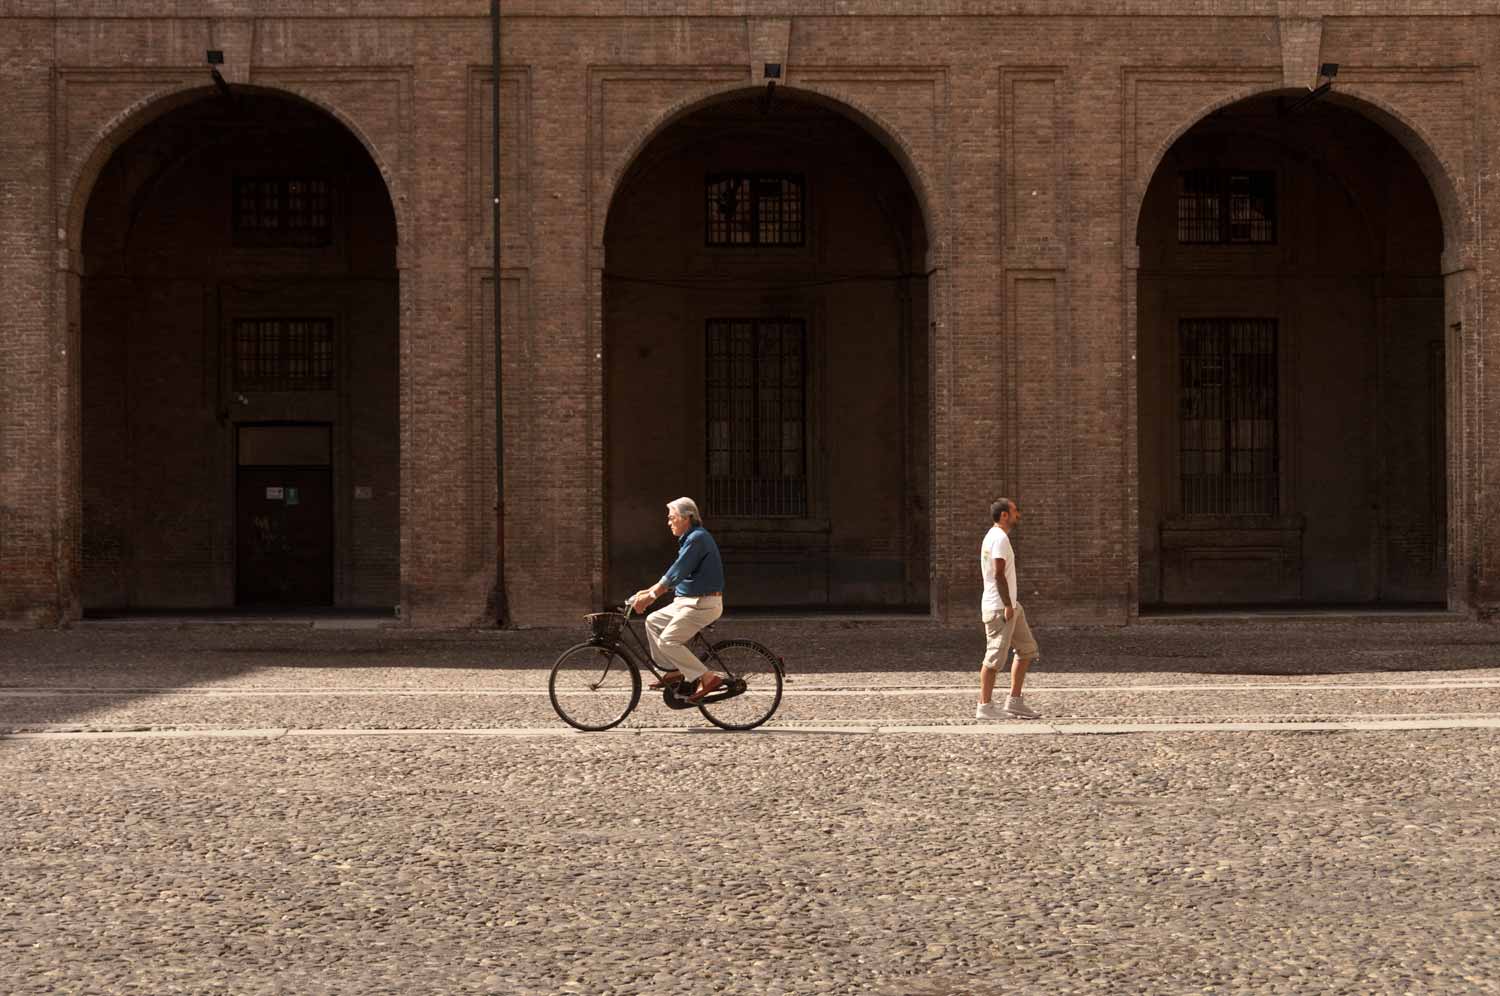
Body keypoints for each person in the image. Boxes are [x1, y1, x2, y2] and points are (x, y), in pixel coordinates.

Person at [629, 497, 726, 703]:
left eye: (672, 517)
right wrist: (646, 592)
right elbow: (674, 573)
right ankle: (674, 671)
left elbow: (677, 572)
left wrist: (652, 596)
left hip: (702, 604)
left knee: (669, 641)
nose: (668, 522)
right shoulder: (690, 539)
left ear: (687, 518)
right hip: (687, 602)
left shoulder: (698, 538)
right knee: (653, 621)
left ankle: (706, 677)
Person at [975, 497, 1042, 720]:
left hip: (1012, 605)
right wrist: (1006, 605)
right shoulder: (999, 538)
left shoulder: (994, 536)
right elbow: (998, 573)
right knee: (994, 659)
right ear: (1004, 515)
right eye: (1014, 511)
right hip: (1000, 607)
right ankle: (984, 706)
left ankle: (1014, 701)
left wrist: (1012, 605)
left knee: (1027, 650)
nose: (1018, 514)